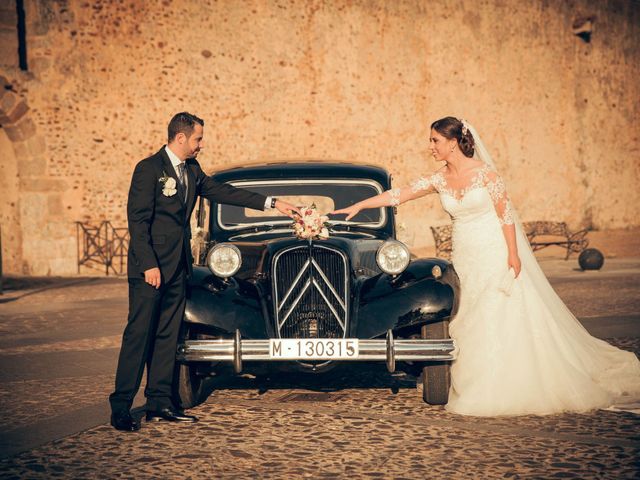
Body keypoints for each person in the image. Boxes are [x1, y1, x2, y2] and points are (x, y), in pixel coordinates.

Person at [331, 116, 640, 416]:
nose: (430, 146)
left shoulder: (486, 175)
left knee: (496, 310)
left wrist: (513, 255)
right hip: (465, 255)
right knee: (468, 311)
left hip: (493, 250)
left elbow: (506, 216)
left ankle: (502, 381)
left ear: (453, 143)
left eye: (435, 140)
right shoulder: (438, 178)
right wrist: (360, 205)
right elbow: (399, 195)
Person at [109, 112, 299, 431]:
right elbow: (137, 223)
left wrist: (273, 203)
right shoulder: (148, 169)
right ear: (180, 138)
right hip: (150, 271)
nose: (201, 145)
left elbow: (225, 192)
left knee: (169, 337)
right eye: (198, 139)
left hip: (179, 269)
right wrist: (149, 265)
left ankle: (159, 403)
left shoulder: (193, 170)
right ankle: (121, 407)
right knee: (139, 335)